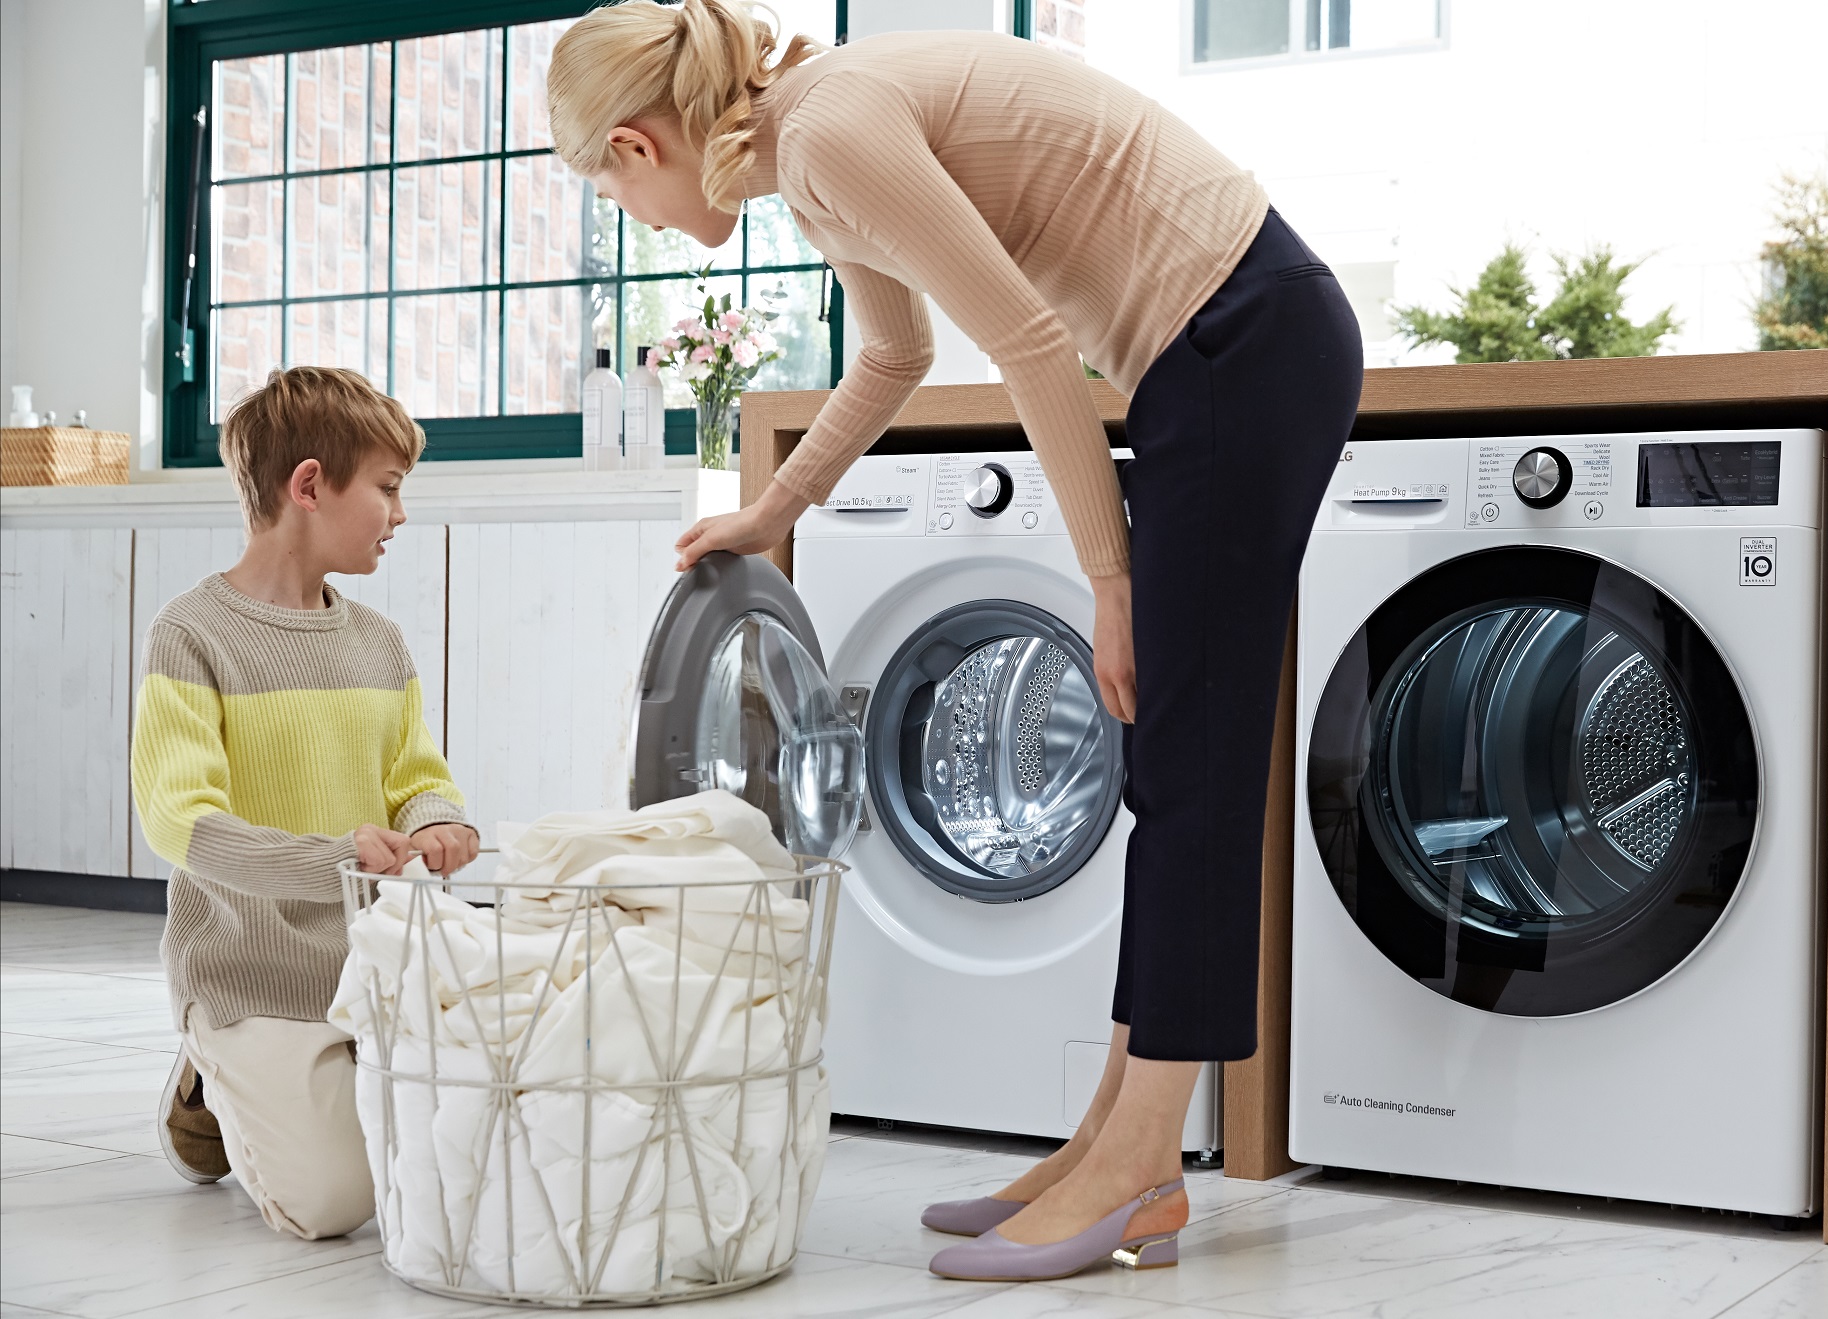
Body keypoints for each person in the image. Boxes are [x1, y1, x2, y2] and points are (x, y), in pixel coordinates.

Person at [548, 0, 1362, 1281]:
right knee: (1170, 766)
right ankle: (1107, 1138)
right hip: (1218, 349)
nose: (628, 213)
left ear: (636, 147)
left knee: (1193, 768)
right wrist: (777, 507)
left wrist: (1108, 579)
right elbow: (897, 353)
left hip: (1239, 340)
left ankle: (1141, 1165)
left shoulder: (829, 134)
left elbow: (1030, 340)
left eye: (607, 187)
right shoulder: (809, 152)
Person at [133, 366, 479, 1239]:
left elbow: (415, 773)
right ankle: (209, 1063)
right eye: (388, 488)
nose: (401, 513)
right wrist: (333, 860)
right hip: (253, 974)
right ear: (311, 486)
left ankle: (292, 1079)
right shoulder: (192, 635)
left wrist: (436, 819)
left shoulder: (380, 642)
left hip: (375, 961)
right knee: (330, 1203)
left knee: (465, 1153)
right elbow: (179, 818)